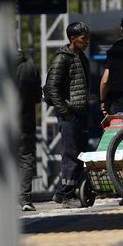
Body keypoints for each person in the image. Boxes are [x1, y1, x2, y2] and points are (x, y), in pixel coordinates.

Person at [44, 21, 95, 207]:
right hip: (69, 114)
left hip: (80, 114)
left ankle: (64, 192)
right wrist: (65, 111)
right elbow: (52, 87)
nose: (87, 42)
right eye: (83, 38)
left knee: (80, 154)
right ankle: (66, 196)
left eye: (88, 38)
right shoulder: (62, 58)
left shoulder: (81, 57)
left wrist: (87, 113)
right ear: (73, 39)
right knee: (71, 155)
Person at [14, 48, 42, 211]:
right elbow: (37, 96)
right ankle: (24, 199)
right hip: (24, 122)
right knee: (25, 158)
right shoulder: (29, 67)